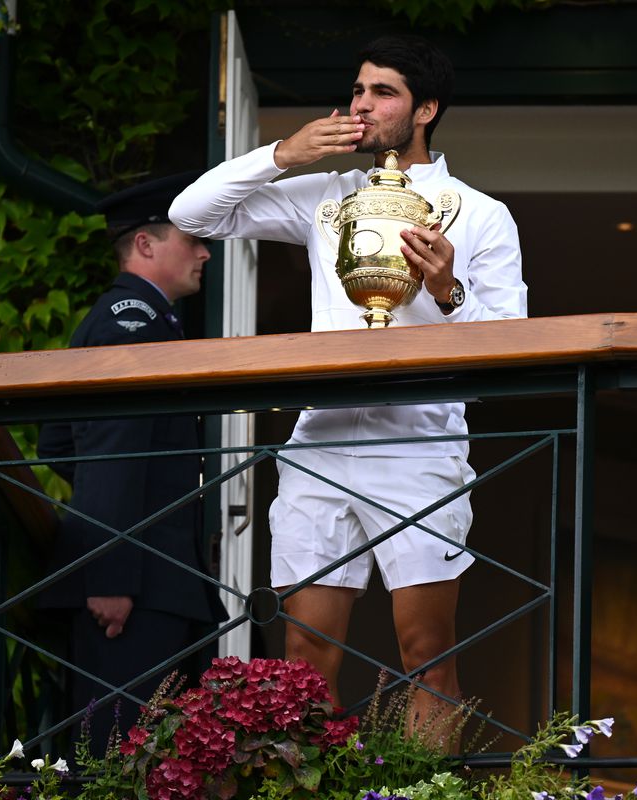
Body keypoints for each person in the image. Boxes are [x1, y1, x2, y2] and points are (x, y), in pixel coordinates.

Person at [169, 35, 526, 743]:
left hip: (419, 449)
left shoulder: (480, 213)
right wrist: (283, 155)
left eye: (381, 93)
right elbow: (192, 215)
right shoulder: (325, 194)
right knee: (303, 662)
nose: (361, 105)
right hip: (321, 445)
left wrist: (449, 290)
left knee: (427, 657)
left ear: (425, 109)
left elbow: (511, 344)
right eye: (358, 90)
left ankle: (425, 795)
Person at [37, 173, 228, 758]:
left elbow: (63, 449)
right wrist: (112, 575)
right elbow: (112, 452)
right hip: (132, 592)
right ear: (145, 244)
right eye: (190, 238)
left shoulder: (148, 320)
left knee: (149, 762)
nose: (204, 251)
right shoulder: (131, 322)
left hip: (150, 582)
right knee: (119, 762)